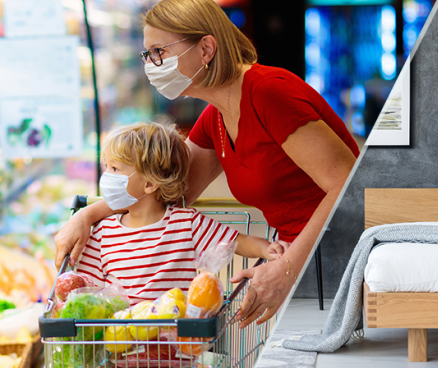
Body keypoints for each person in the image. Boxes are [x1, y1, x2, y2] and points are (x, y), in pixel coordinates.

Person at [55, 0, 359, 327]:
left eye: (160, 51)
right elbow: (164, 189)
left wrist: (285, 271)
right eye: (147, 55)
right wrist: (87, 215)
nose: (152, 65)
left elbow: (348, 185)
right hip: (302, 261)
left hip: (345, 261)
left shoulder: (269, 93)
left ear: (206, 48)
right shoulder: (216, 117)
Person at [75, 122, 284, 305]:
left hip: (176, 341)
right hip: (120, 341)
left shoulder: (186, 223)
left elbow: (237, 242)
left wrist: (267, 249)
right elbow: (86, 288)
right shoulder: (102, 233)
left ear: (149, 184)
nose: (107, 176)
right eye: (107, 167)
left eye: (115, 169)